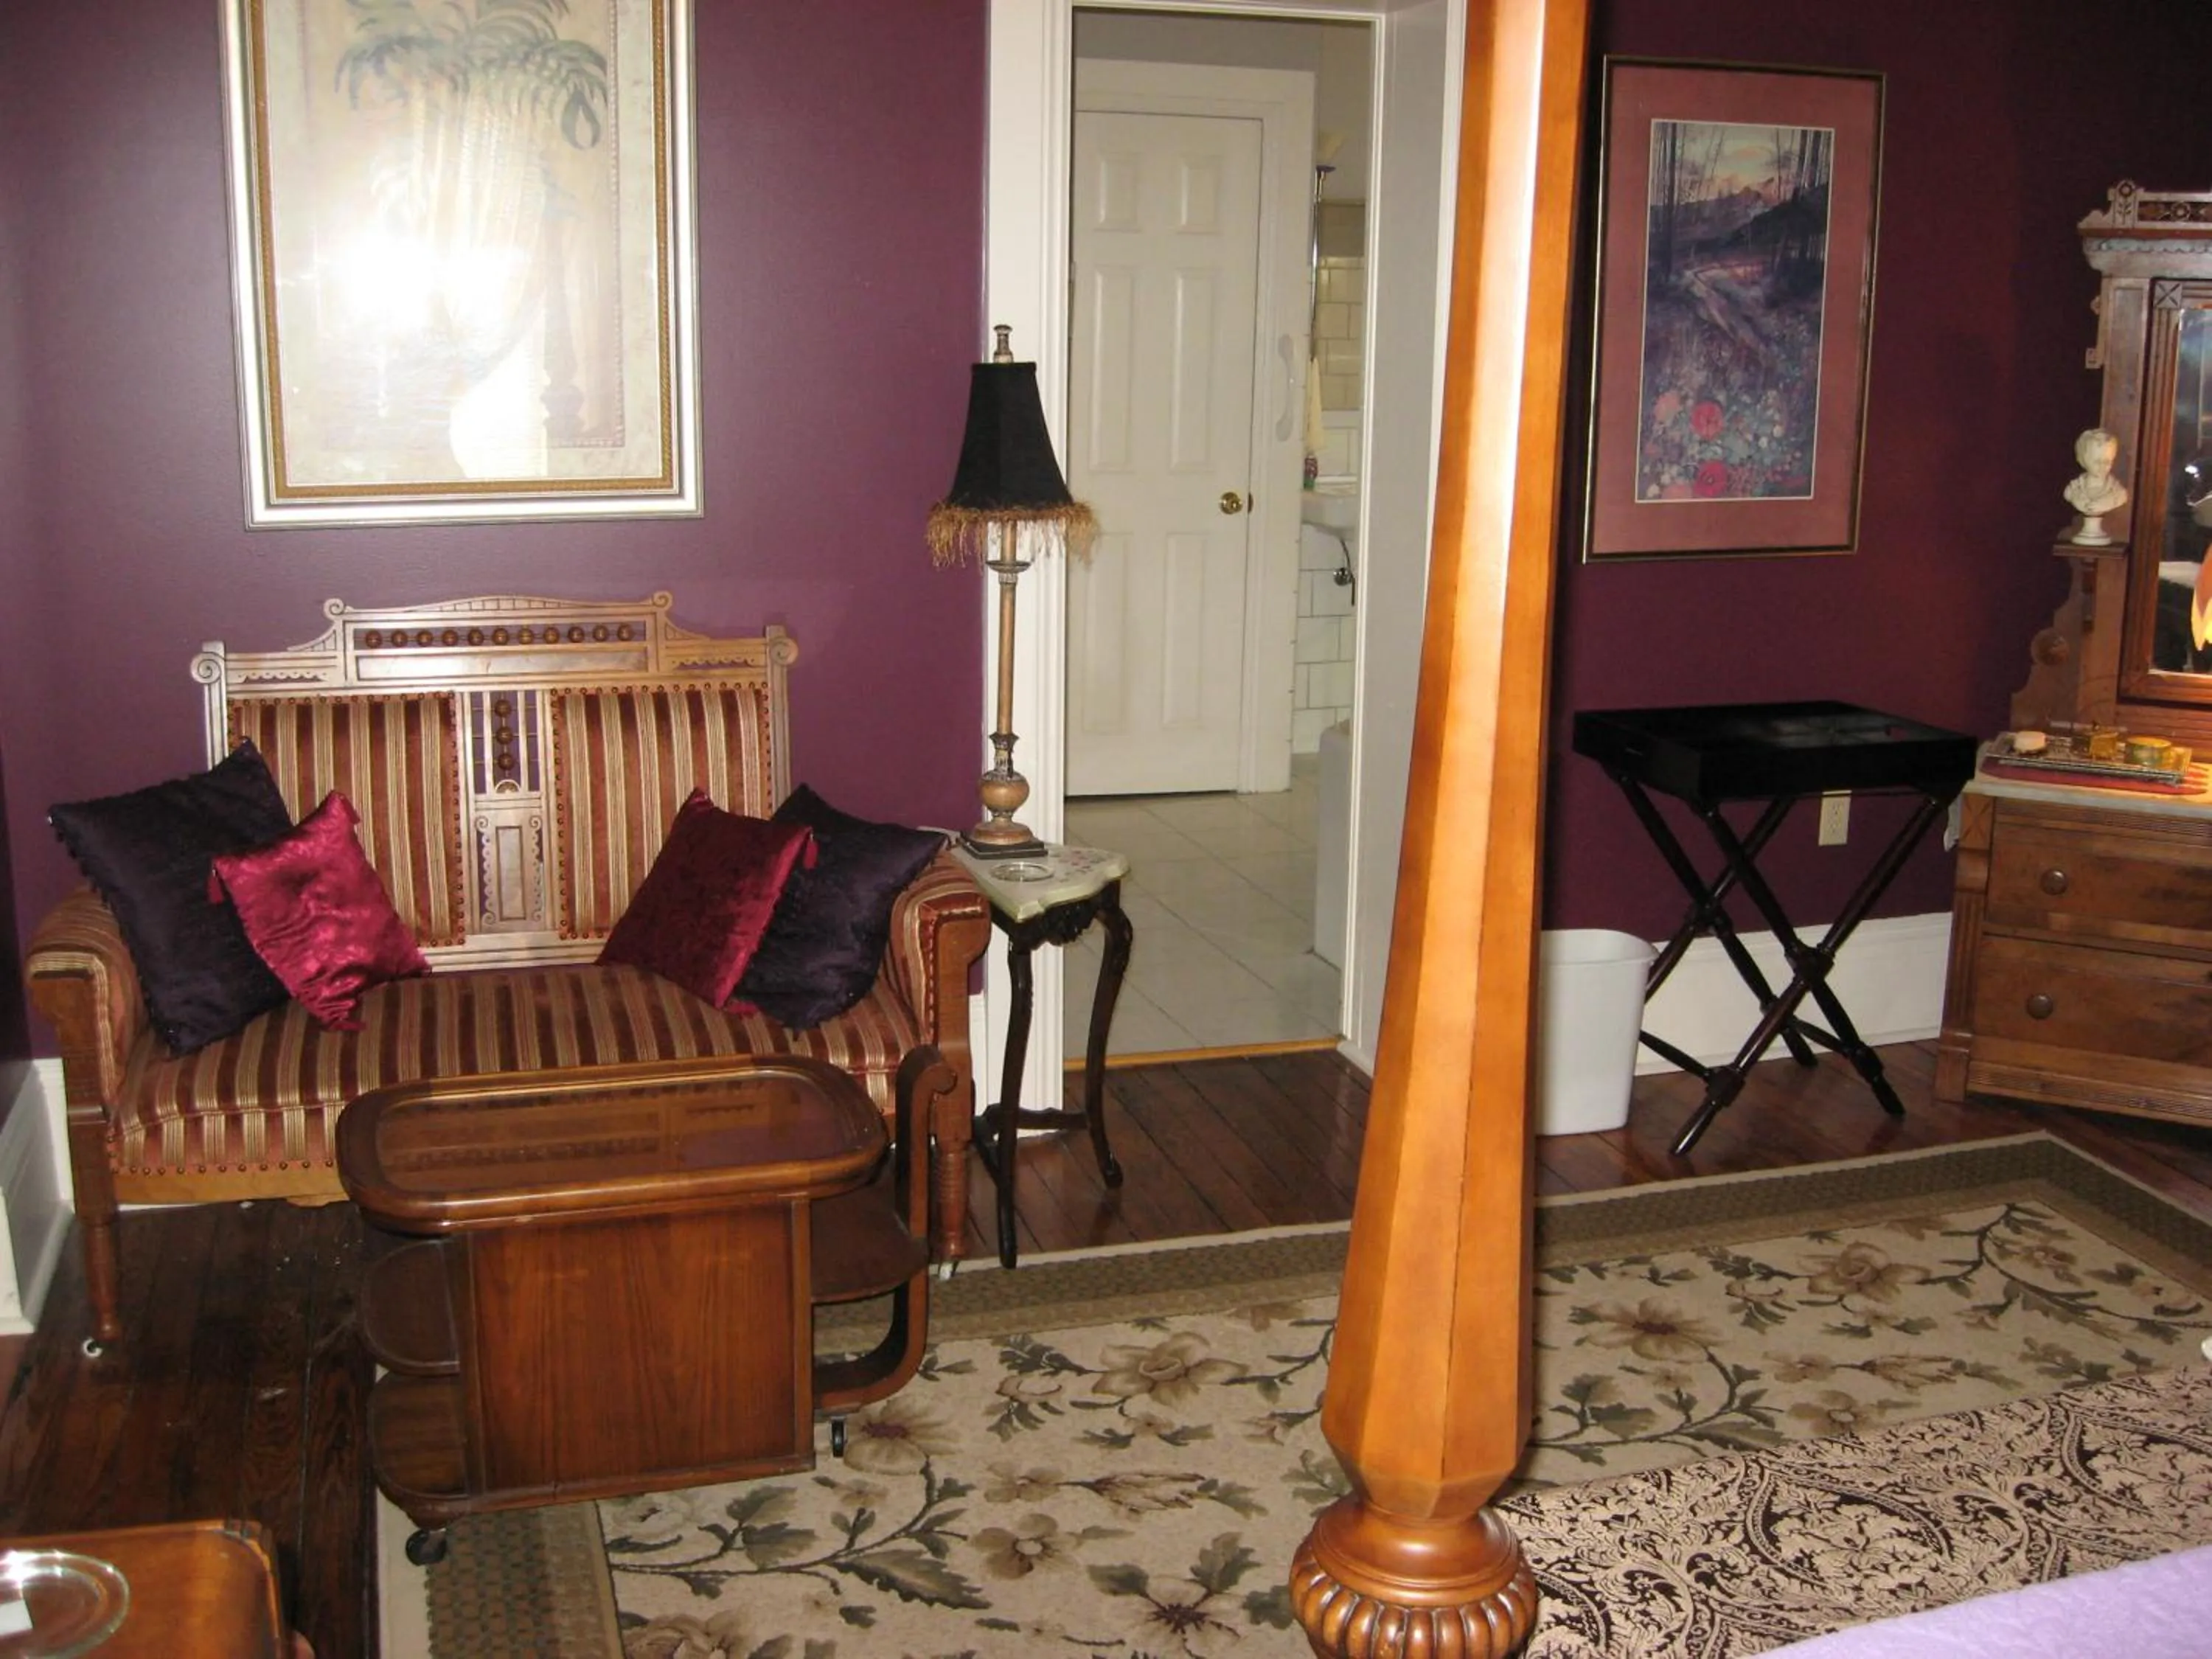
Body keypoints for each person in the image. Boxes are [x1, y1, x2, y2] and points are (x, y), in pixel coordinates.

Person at [2064, 427, 2129, 537]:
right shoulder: (2073, 489)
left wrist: (2106, 502)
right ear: (2083, 460)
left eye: (2107, 461)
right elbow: (2070, 495)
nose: (2102, 466)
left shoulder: (2118, 492)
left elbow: (2121, 497)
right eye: (2097, 462)